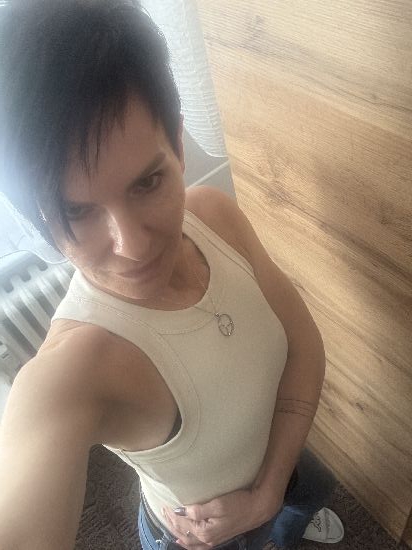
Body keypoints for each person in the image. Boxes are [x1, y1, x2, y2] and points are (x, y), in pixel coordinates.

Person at [0, 1, 344, 548]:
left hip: (283, 463)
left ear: (179, 147)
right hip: (205, 536)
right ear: (39, 219)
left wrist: (269, 491)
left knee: (292, 511)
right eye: (78, 211)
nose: (132, 246)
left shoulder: (214, 216)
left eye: (148, 182)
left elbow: (302, 345)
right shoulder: (72, 372)